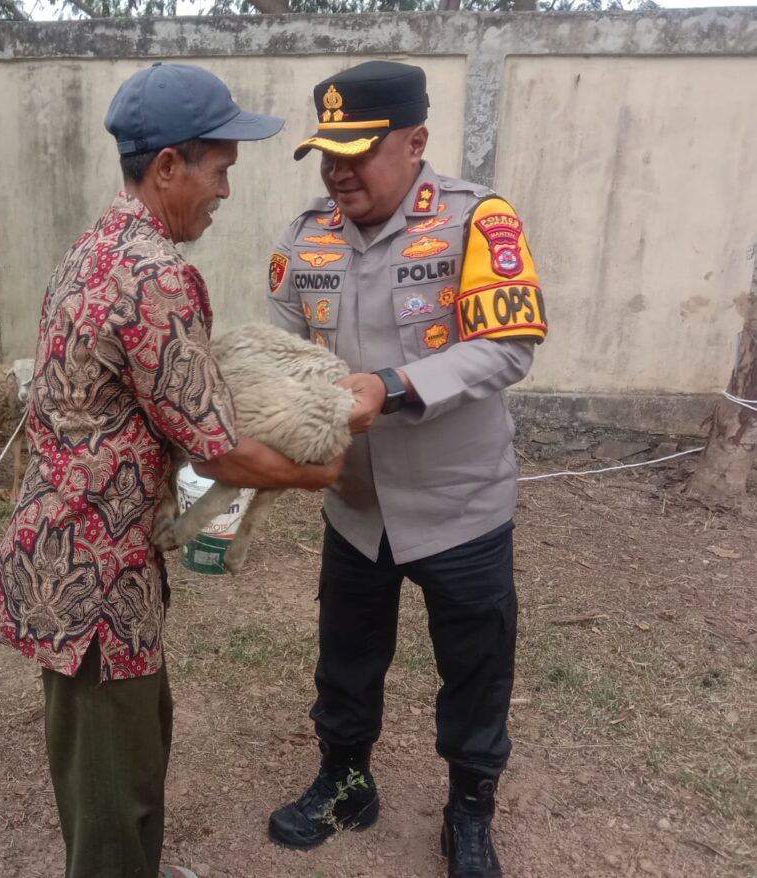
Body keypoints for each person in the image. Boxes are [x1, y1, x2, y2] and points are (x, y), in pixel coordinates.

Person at [0, 62, 344, 878]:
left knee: (129, 750)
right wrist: (320, 473)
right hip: (95, 575)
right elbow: (216, 446)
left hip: (78, 555)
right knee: (112, 790)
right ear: (169, 166)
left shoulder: (95, 247)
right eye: (218, 171)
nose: (224, 191)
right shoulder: (157, 276)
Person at [264, 60, 548, 878]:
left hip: (460, 503)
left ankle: (469, 812)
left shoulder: (474, 222)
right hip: (354, 504)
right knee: (346, 659)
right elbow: (284, 348)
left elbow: (507, 345)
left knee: (476, 668)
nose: (337, 170)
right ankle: (346, 781)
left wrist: (389, 388)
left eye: (358, 150)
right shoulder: (305, 235)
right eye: (327, 152)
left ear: (416, 141)